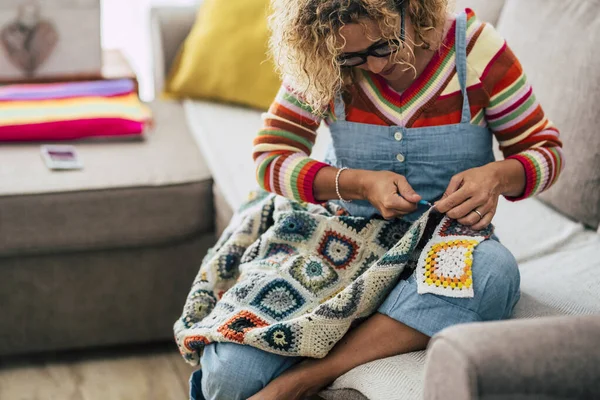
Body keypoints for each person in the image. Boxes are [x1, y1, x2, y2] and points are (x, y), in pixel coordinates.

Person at [183, 0, 563, 399]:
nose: (376, 67)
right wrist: (359, 184)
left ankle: (310, 375)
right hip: (336, 243)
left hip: (444, 244)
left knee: (491, 274)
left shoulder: (475, 49)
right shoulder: (325, 56)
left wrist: (496, 176)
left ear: (411, 9)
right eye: (353, 58)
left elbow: (546, 151)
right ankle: (385, 321)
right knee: (229, 377)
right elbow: (271, 158)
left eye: (384, 46)